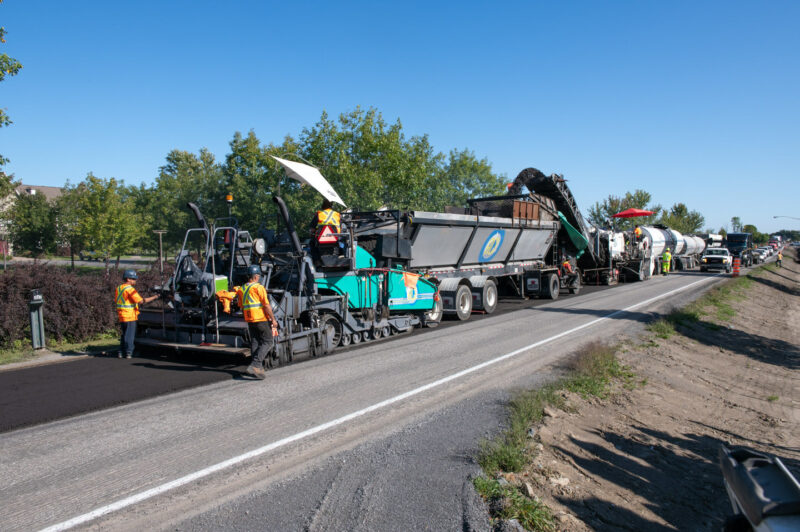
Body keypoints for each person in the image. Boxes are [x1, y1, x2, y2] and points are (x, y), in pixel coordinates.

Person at [236, 264, 279, 380]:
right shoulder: (258, 288)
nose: (259, 278)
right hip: (260, 318)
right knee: (268, 341)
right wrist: (273, 319)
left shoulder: (242, 289)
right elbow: (266, 305)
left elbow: (240, 305)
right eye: (259, 276)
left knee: (255, 341)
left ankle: (257, 367)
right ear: (255, 277)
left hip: (249, 319)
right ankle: (255, 365)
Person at [115, 269, 158, 358]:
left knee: (124, 334)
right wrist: (155, 297)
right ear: (128, 279)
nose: (135, 280)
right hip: (130, 315)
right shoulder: (130, 289)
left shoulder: (119, 288)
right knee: (130, 335)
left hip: (122, 315)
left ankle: (120, 352)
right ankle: (129, 352)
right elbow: (141, 301)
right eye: (133, 279)